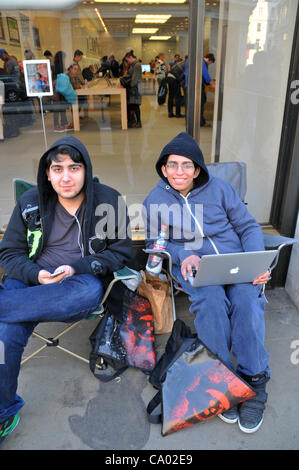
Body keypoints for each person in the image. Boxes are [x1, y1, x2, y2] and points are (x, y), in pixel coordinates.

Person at [0, 136, 132, 444]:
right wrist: (36, 273)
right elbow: (9, 254)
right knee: (4, 336)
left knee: (86, 293)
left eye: (74, 167)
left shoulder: (108, 201)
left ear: (86, 170)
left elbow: (123, 252)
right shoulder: (30, 202)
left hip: (77, 282)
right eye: (57, 169)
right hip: (33, 280)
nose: (66, 176)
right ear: (47, 173)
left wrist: (77, 267)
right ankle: (3, 411)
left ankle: (6, 305)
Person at [143, 132, 271, 434]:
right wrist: (181, 253)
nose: (179, 172)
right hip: (193, 268)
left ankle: (254, 378)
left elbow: (248, 225)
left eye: (187, 165)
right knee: (210, 301)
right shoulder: (155, 200)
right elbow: (156, 243)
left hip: (235, 262)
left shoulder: (220, 190)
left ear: (198, 169)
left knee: (245, 300)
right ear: (163, 168)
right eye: (172, 165)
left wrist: (256, 260)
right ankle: (224, 377)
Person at [122, 50, 142, 129]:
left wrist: (126, 83)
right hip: (133, 89)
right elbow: (130, 76)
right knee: (132, 105)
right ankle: (133, 121)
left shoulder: (137, 65)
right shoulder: (133, 65)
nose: (127, 62)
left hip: (135, 89)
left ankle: (138, 122)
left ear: (130, 58)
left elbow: (134, 80)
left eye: (127, 60)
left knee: (135, 106)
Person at [201, 53, 216, 127]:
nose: (209, 64)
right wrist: (211, 83)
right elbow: (205, 75)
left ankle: (201, 121)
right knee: (201, 101)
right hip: (197, 86)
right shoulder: (203, 63)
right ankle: (201, 122)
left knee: (203, 100)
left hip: (197, 85)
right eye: (210, 63)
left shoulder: (201, 62)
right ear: (208, 59)